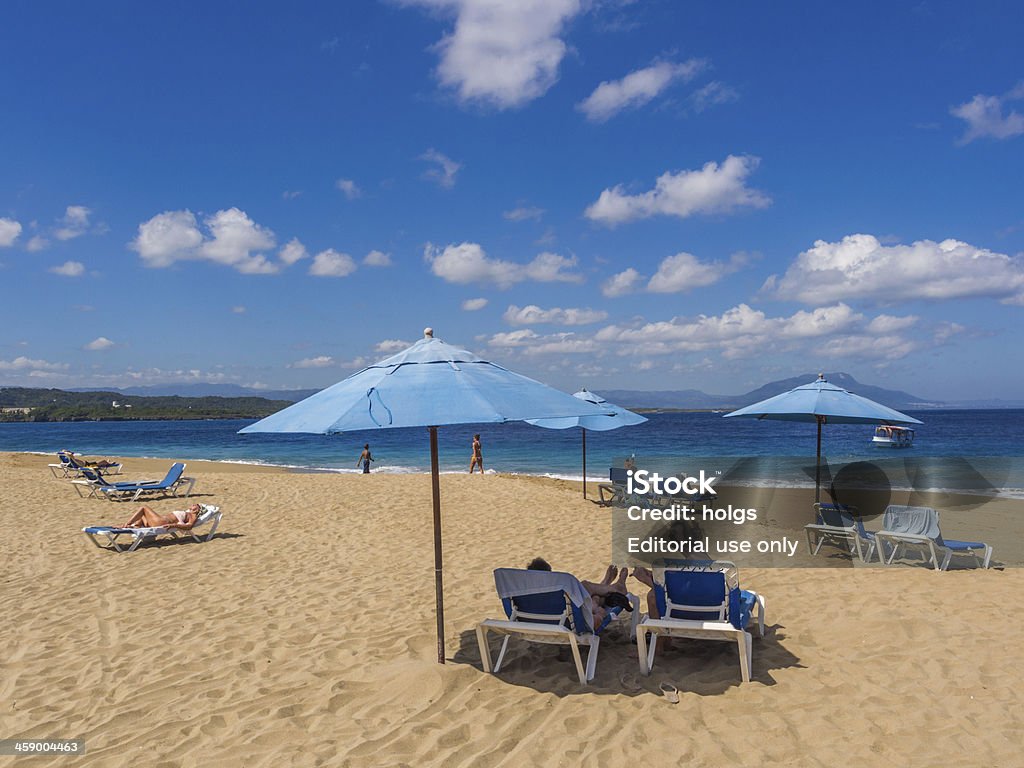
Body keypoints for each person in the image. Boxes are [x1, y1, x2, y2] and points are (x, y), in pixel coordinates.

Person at [527, 558, 632, 627]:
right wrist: (600, 613)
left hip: (536, 624)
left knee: (588, 593)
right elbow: (594, 621)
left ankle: (605, 585)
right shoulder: (556, 596)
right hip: (569, 624)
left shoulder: (522, 595)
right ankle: (611, 586)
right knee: (587, 589)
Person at [122, 503, 202, 530]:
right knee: (143, 514)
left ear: (198, 510)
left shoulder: (193, 516)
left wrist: (173, 525)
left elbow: (189, 526)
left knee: (144, 508)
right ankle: (136, 526)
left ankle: (127, 524)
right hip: (159, 521)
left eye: (195, 505)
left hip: (161, 522)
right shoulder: (188, 512)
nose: (193, 505)